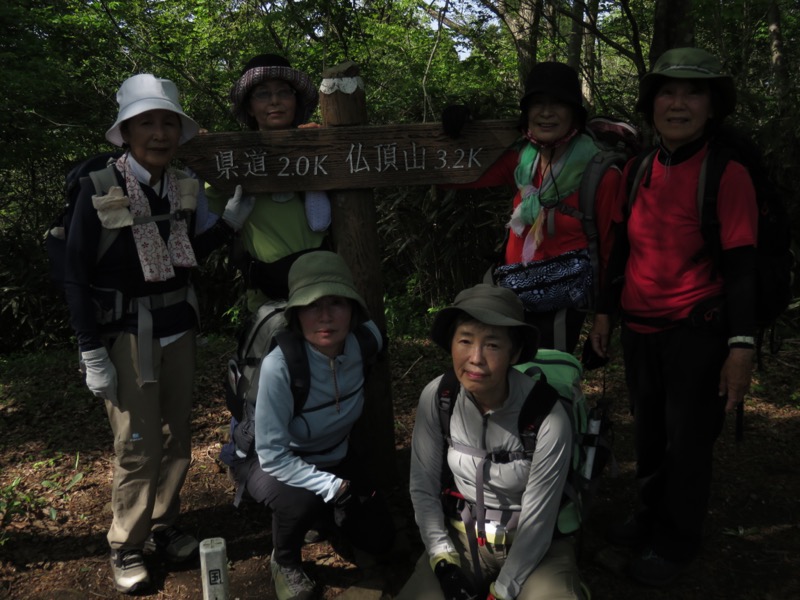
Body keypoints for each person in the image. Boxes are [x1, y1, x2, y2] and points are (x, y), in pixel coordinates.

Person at [63, 74, 254, 593]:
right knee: (137, 444)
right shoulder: (99, 186)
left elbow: (184, 257)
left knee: (177, 439)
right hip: (126, 336)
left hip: (178, 328)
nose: (160, 132)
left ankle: (164, 524)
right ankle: (126, 544)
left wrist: (229, 224)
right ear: (126, 131)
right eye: (147, 122)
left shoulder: (182, 185)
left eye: (168, 121)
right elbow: (75, 272)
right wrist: (89, 348)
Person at [589, 47, 757, 586]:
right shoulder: (639, 169)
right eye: (667, 91)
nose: (678, 103)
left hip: (695, 334)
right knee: (650, 435)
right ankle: (648, 517)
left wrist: (741, 346)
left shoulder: (726, 175)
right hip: (640, 331)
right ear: (651, 103)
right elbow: (620, 253)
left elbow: (742, 268)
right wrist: (604, 315)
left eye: (693, 92)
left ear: (712, 107)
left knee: (687, 445)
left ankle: (677, 542)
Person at [220, 250, 395, 600]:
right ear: (296, 314)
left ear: (353, 311)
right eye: (312, 305)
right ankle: (284, 559)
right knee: (301, 502)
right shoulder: (281, 366)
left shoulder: (364, 342)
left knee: (381, 540)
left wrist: (340, 486)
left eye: (336, 303)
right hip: (269, 459)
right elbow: (272, 454)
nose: (326, 316)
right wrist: (334, 488)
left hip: (335, 453)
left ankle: (325, 519)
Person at [397, 283, 588, 600]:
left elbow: (539, 518)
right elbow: (423, 484)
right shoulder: (439, 397)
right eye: (465, 341)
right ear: (451, 344)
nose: (476, 358)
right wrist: (443, 561)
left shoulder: (547, 415)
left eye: (493, 345)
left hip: (537, 548)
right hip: (462, 541)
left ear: (514, 353)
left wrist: (503, 591)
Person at [443, 62, 622, 353]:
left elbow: (610, 249)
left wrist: (604, 317)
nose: (546, 113)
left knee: (546, 382)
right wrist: (457, 135)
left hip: (564, 305)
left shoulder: (601, 173)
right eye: (538, 103)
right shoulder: (521, 161)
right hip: (513, 297)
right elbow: (454, 178)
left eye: (558, 104)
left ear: (574, 113)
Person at [207, 54, 331, 311]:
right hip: (267, 298)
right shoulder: (234, 161)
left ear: (295, 101)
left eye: (283, 92)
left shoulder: (323, 148)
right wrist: (202, 157)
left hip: (325, 287)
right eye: (262, 94)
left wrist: (319, 146)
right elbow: (204, 216)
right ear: (250, 107)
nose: (274, 101)